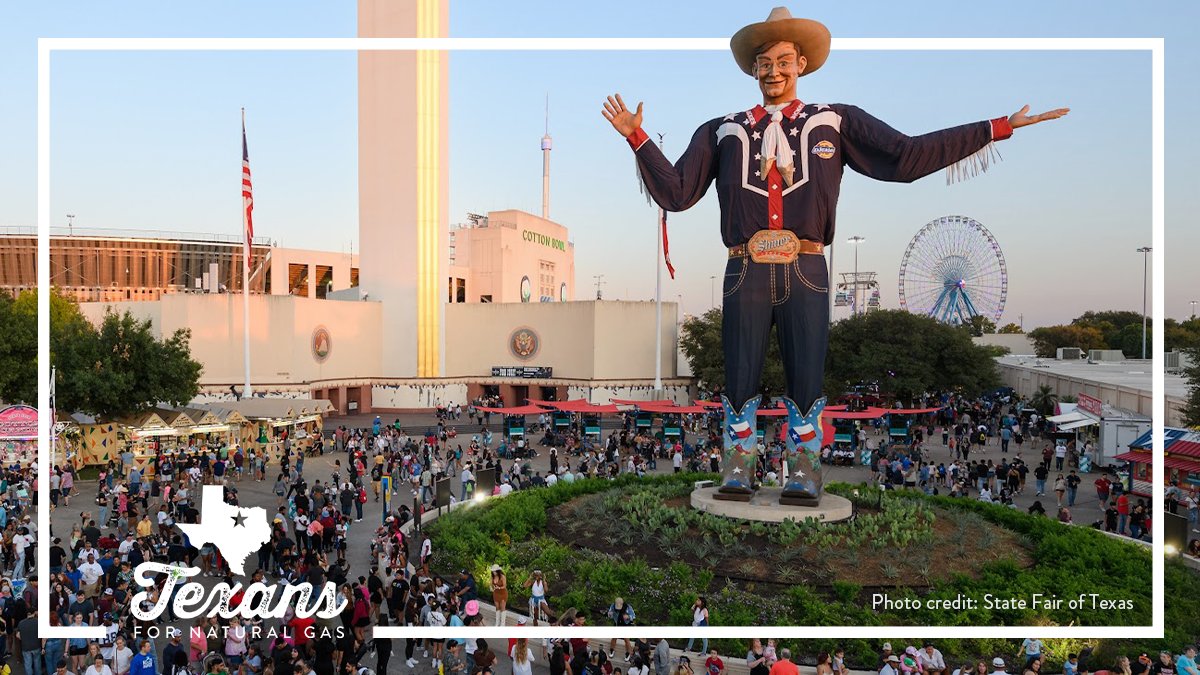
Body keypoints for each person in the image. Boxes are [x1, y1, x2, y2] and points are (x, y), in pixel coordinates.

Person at [603, 6, 1066, 503]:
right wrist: (637, 136)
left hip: (806, 265)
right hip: (745, 268)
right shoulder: (722, 130)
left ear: (801, 64)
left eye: (784, 61)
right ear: (753, 68)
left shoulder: (834, 121)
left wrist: (997, 127)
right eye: (764, 62)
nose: (774, 71)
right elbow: (677, 192)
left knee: (807, 372)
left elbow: (906, 156)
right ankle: (737, 468)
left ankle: (804, 472)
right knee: (739, 373)